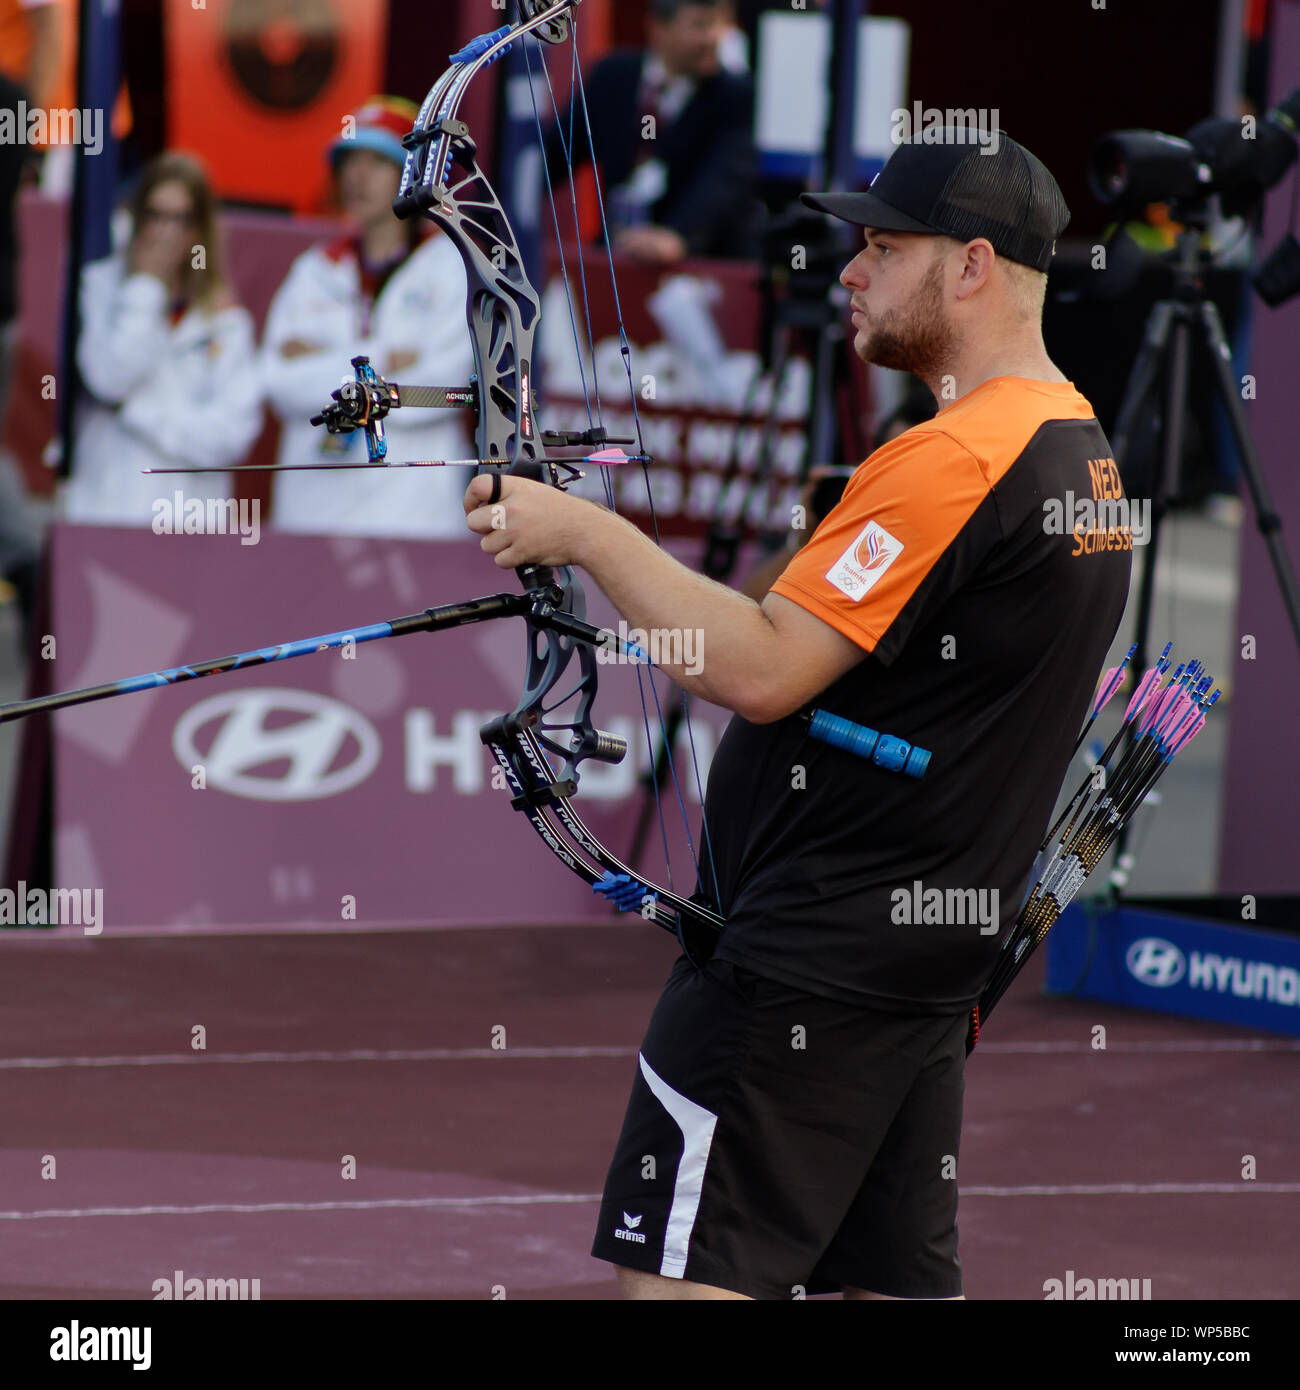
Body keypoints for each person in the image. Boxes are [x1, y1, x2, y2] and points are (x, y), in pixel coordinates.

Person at [463, 131, 1132, 1300]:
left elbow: (763, 668)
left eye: (882, 247)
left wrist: (581, 532)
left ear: (972, 266)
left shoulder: (954, 459)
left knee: (686, 1281)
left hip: (806, 963)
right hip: (923, 959)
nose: (849, 273)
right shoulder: (1081, 451)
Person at [260, 96, 474, 538]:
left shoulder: (452, 266)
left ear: (412, 173)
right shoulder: (314, 270)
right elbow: (277, 384)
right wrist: (384, 358)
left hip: (414, 517)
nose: (357, 176)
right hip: (310, 518)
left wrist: (321, 360)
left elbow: (447, 389)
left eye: (376, 161)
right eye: (349, 161)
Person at [62, 152, 262, 526]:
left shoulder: (225, 320)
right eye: (155, 215)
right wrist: (146, 286)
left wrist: (139, 413)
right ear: (137, 219)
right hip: (107, 512)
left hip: (190, 527)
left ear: (199, 231)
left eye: (180, 220)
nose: (164, 233)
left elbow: (230, 436)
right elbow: (110, 379)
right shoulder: (102, 287)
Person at [543, 0, 759, 264]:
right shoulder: (612, 77)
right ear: (659, 28)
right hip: (618, 260)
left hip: (700, 267)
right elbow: (552, 157)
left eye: (721, 24)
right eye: (700, 25)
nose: (713, 38)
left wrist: (676, 236)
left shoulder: (736, 95)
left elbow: (726, 176)